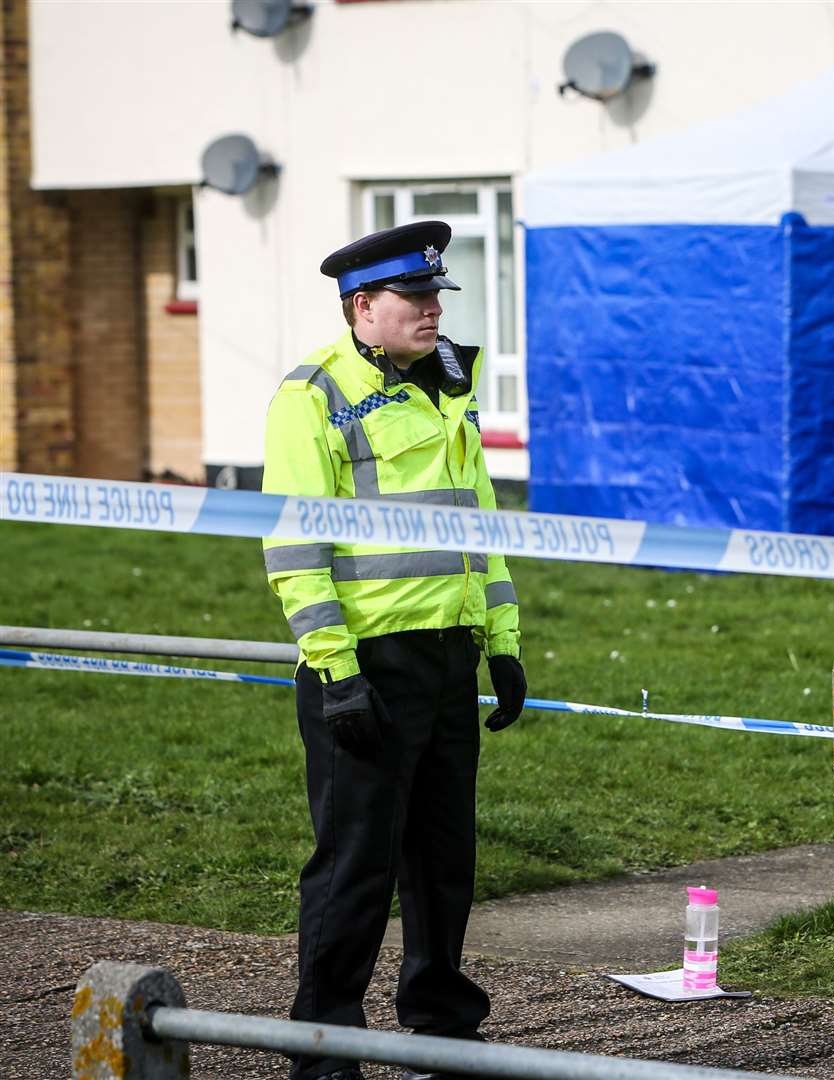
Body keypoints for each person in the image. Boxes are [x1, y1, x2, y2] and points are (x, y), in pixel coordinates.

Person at [262, 220, 529, 1080]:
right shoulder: (312, 396)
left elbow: (475, 523)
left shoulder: (449, 383)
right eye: (413, 299)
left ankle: (444, 1022)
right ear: (360, 306)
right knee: (355, 863)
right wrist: (335, 671)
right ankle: (327, 1038)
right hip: (367, 665)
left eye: (436, 297)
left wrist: (503, 642)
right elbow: (297, 550)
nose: (431, 312)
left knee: (444, 856)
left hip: (449, 653)